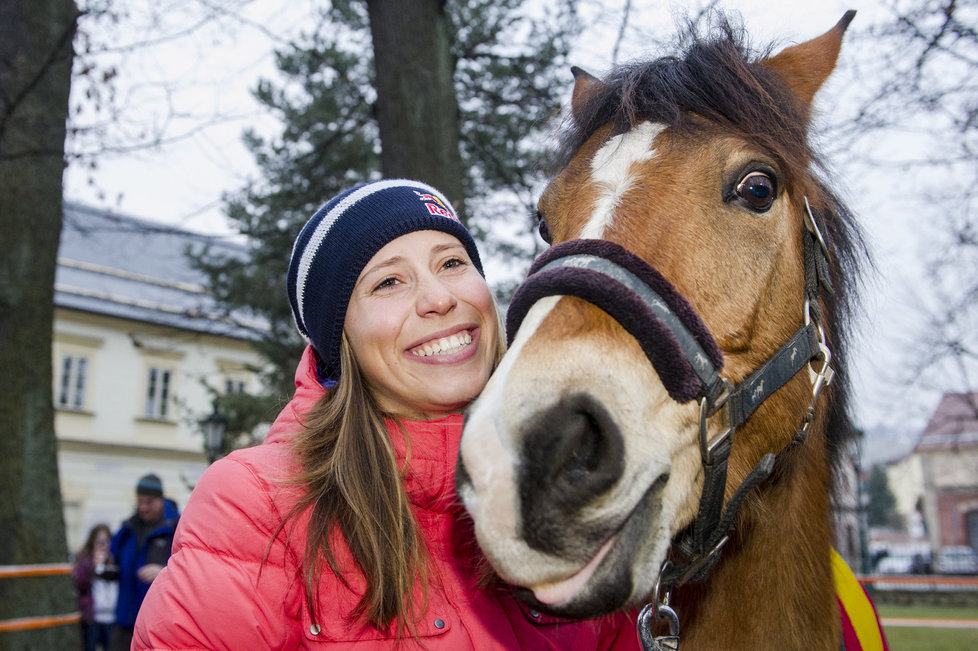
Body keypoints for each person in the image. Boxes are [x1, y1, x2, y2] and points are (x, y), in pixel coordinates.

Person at [134, 179, 638, 649]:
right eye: (389, 282)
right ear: (341, 338)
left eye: (452, 264)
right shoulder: (259, 505)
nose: (440, 299)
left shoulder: (570, 478)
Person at [110, 473, 178, 650]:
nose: (143, 507)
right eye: (140, 502)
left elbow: (188, 570)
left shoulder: (176, 528)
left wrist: (164, 571)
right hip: (124, 623)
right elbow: (112, 557)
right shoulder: (127, 529)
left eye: (148, 502)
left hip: (156, 626)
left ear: (160, 500)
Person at [73, 523, 118, 651]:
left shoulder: (115, 559)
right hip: (91, 615)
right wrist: (93, 566)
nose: (103, 546)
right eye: (99, 542)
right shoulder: (85, 559)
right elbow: (78, 582)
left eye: (106, 541)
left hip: (112, 617)